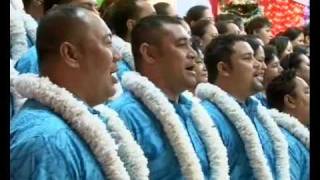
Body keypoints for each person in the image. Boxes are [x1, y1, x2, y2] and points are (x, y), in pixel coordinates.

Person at [11, 5, 148, 179]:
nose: (117, 56)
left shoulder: (90, 120)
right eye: (107, 42)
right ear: (71, 54)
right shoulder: (47, 142)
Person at [108, 15, 229, 179]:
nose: (193, 53)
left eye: (191, 45)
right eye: (181, 45)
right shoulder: (122, 117)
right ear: (149, 53)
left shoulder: (194, 111)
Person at [196, 34, 309, 179]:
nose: (260, 65)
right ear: (224, 68)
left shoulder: (259, 115)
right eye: (248, 58)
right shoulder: (206, 118)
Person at [14, 0, 100, 74]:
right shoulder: (34, 61)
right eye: (86, 8)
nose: (96, 15)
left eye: (96, 8)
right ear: (56, 11)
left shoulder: (101, 53)